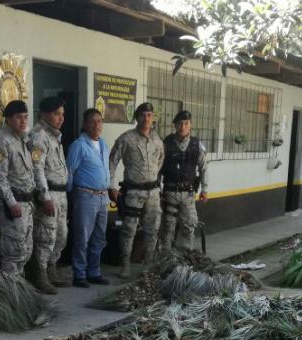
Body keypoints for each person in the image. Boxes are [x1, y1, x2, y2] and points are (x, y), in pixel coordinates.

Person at [108, 102, 164, 278]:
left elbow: (160, 161)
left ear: (153, 117)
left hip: (153, 193)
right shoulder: (126, 138)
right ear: (136, 117)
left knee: (152, 230)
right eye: (142, 115)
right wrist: (111, 185)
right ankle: (125, 265)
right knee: (128, 229)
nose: (146, 118)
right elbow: (112, 162)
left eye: (149, 115)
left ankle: (148, 265)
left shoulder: (157, 140)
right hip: (133, 192)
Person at [0, 100, 36, 278]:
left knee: (25, 251)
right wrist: (11, 203)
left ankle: (19, 291)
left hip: (27, 205)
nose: (23, 121)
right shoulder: (2, 143)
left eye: (25, 117)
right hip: (13, 206)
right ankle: (10, 294)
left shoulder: (23, 141)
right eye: (18, 117)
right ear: (8, 119)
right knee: (13, 252)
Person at [28, 96, 70, 293]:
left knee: (61, 235)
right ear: (44, 114)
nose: (61, 118)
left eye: (62, 114)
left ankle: (52, 268)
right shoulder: (39, 137)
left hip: (61, 193)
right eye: (56, 114)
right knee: (46, 236)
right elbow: (37, 170)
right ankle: (40, 274)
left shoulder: (55, 136)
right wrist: (45, 197)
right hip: (49, 194)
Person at [66, 108, 111, 287]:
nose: (96, 125)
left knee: (99, 237)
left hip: (102, 198)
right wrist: (71, 196)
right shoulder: (79, 145)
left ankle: (94, 272)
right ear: (85, 125)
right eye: (92, 121)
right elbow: (69, 171)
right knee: (82, 237)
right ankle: (79, 274)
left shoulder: (103, 144)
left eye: (99, 121)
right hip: (85, 196)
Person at [159, 110, 208, 251]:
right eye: (180, 123)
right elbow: (158, 168)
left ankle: (186, 258)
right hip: (170, 193)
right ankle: (166, 258)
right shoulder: (166, 143)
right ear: (175, 125)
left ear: (190, 125)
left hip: (188, 194)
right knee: (168, 228)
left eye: (186, 123)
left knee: (190, 226)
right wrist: (158, 190)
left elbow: (204, 168)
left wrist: (205, 189)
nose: (183, 126)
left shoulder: (196, 145)